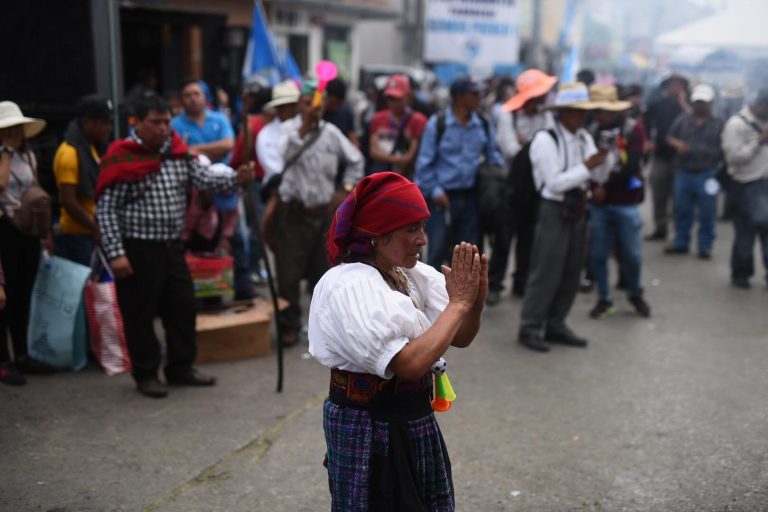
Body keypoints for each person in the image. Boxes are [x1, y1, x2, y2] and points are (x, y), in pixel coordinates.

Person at [309, 171, 487, 511]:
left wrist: (473, 303)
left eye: (422, 226)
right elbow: (409, 364)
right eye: (411, 229)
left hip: (411, 419)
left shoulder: (408, 274)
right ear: (378, 235)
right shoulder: (350, 284)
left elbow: (461, 336)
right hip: (370, 427)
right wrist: (460, 303)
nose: (423, 239)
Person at [95, 95, 255, 398]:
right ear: (138, 123)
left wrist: (237, 178)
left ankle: (180, 367)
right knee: (140, 313)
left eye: (167, 122)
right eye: (155, 122)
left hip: (172, 246)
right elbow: (105, 210)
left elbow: (207, 179)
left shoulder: (178, 153)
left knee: (182, 307)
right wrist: (116, 253)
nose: (163, 129)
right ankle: (146, 373)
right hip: (137, 248)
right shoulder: (121, 156)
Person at [269, 81, 363, 347]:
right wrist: (304, 126)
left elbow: (355, 159)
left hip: (323, 214)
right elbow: (282, 155)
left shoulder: (332, 133)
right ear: (299, 105)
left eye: (317, 104)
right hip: (293, 214)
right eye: (307, 103)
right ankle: (288, 326)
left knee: (322, 274)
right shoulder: (286, 131)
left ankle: (321, 328)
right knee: (287, 275)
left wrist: (345, 189)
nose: (313, 108)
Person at [517, 83, 606, 352]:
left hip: (578, 206)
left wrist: (605, 161)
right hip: (553, 209)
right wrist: (587, 168)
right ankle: (530, 326)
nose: (581, 117)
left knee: (571, 270)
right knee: (546, 270)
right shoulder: (546, 140)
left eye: (583, 112)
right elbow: (554, 183)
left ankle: (556, 323)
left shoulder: (583, 138)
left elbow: (598, 176)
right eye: (577, 112)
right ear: (564, 113)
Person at [415, 76, 503, 270]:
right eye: (474, 93)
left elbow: (492, 155)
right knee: (436, 249)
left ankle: (464, 297)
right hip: (442, 198)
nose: (479, 97)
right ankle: (431, 298)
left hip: (471, 196)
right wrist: (436, 191)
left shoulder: (483, 123)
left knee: (467, 253)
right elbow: (424, 164)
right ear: (459, 97)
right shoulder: (437, 124)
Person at [489, 69, 557, 303]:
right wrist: (536, 146)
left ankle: (521, 282)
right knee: (503, 239)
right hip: (512, 187)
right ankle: (495, 284)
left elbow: (548, 146)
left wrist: (526, 143)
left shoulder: (545, 116)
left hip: (534, 188)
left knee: (529, 238)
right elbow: (509, 149)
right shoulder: (509, 115)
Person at [586, 85, 651, 319]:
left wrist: (606, 188)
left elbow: (632, 165)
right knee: (598, 254)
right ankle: (604, 297)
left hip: (625, 202)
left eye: (601, 110)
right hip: (598, 204)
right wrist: (595, 191)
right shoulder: (592, 130)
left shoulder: (633, 129)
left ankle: (635, 292)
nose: (597, 115)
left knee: (632, 254)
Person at [0, 101, 53, 385]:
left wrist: (46, 234)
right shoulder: (4, 155)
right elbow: (1, 184)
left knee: (23, 296)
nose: (17, 133)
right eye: (10, 129)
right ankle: (3, 359)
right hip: (4, 229)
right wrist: (5, 150)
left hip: (27, 231)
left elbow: (35, 190)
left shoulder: (28, 155)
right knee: (4, 299)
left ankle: (22, 353)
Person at [664, 84, 725, 259]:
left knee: (707, 211)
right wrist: (678, 144)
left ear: (711, 103)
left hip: (708, 173)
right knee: (682, 209)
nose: (700, 106)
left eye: (703, 103)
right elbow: (669, 137)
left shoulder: (719, 122)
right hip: (685, 171)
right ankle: (681, 242)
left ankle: (705, 246)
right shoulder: (683, 119)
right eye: (697, 102)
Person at [53, 94, 113, 265]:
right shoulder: (69, 154)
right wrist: (95, 228)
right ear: (88, 123)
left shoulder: (90, 149)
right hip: (75, 235)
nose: (108, 128)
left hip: (88, 233)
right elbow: (68, 200)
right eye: (104, 123)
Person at [720, 88, 768, 288]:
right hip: (745, 184)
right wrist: (759, 142)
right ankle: (741, 274)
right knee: (745, 232)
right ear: (759, 106)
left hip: (765, 185)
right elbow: (734, 159)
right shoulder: (736, 125)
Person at [644, 74, 690, 241]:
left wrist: (684, 103)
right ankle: (660, 227)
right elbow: (646, 120)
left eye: (678, 85)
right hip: (661, 155)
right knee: (659, 193)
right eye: (672, 85)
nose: (675, 88)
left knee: (679, 197)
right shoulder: (657, 104)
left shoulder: (689, 105)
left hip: (682, 159)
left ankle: (679, 232)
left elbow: (696, 120)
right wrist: (648, 139)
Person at [367, 74, 428, 177]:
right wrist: (397, 159)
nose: (393, 103)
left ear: (408, 97)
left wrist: (386, 157)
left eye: (397, 98)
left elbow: (410, 157)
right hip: (381, 175)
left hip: (407, 177)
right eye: (390, 98)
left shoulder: (418, 120)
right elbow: (373, 151)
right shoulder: (378, 118)